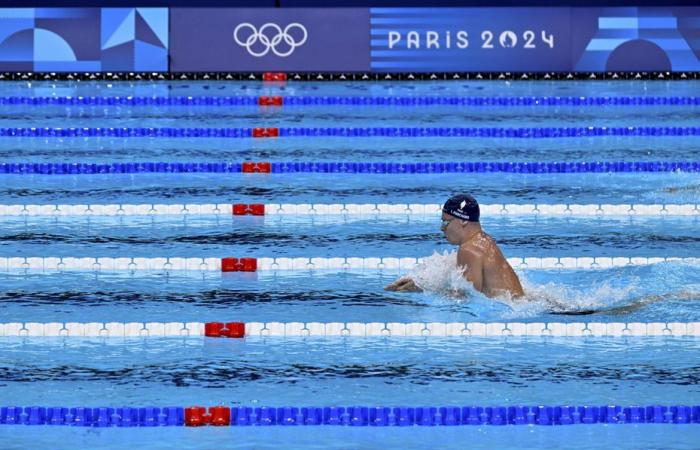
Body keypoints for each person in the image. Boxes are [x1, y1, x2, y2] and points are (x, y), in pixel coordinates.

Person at [385, 193, 525, 299]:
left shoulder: (469, 250)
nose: (442, 228)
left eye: (446, 222)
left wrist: (422, 290)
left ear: (462, 221)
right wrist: (420, 281)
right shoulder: (483, 241)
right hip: (520, 305)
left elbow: (468, 299)